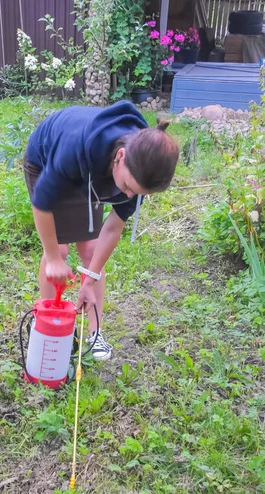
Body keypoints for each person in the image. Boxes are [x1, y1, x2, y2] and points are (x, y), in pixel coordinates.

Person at [23, 100, 179, 360]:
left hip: (96, 171)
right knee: (59, 251)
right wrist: (51, 258)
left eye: (137, 193)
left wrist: (90, 280)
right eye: (129, 187)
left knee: (91, 248)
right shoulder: (74, 148)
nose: (128, 195)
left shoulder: (142, 169)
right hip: (47, 160)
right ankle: (47, 324)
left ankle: (94, 334)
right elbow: (42, 203)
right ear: (120, 157)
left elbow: (112, 228)